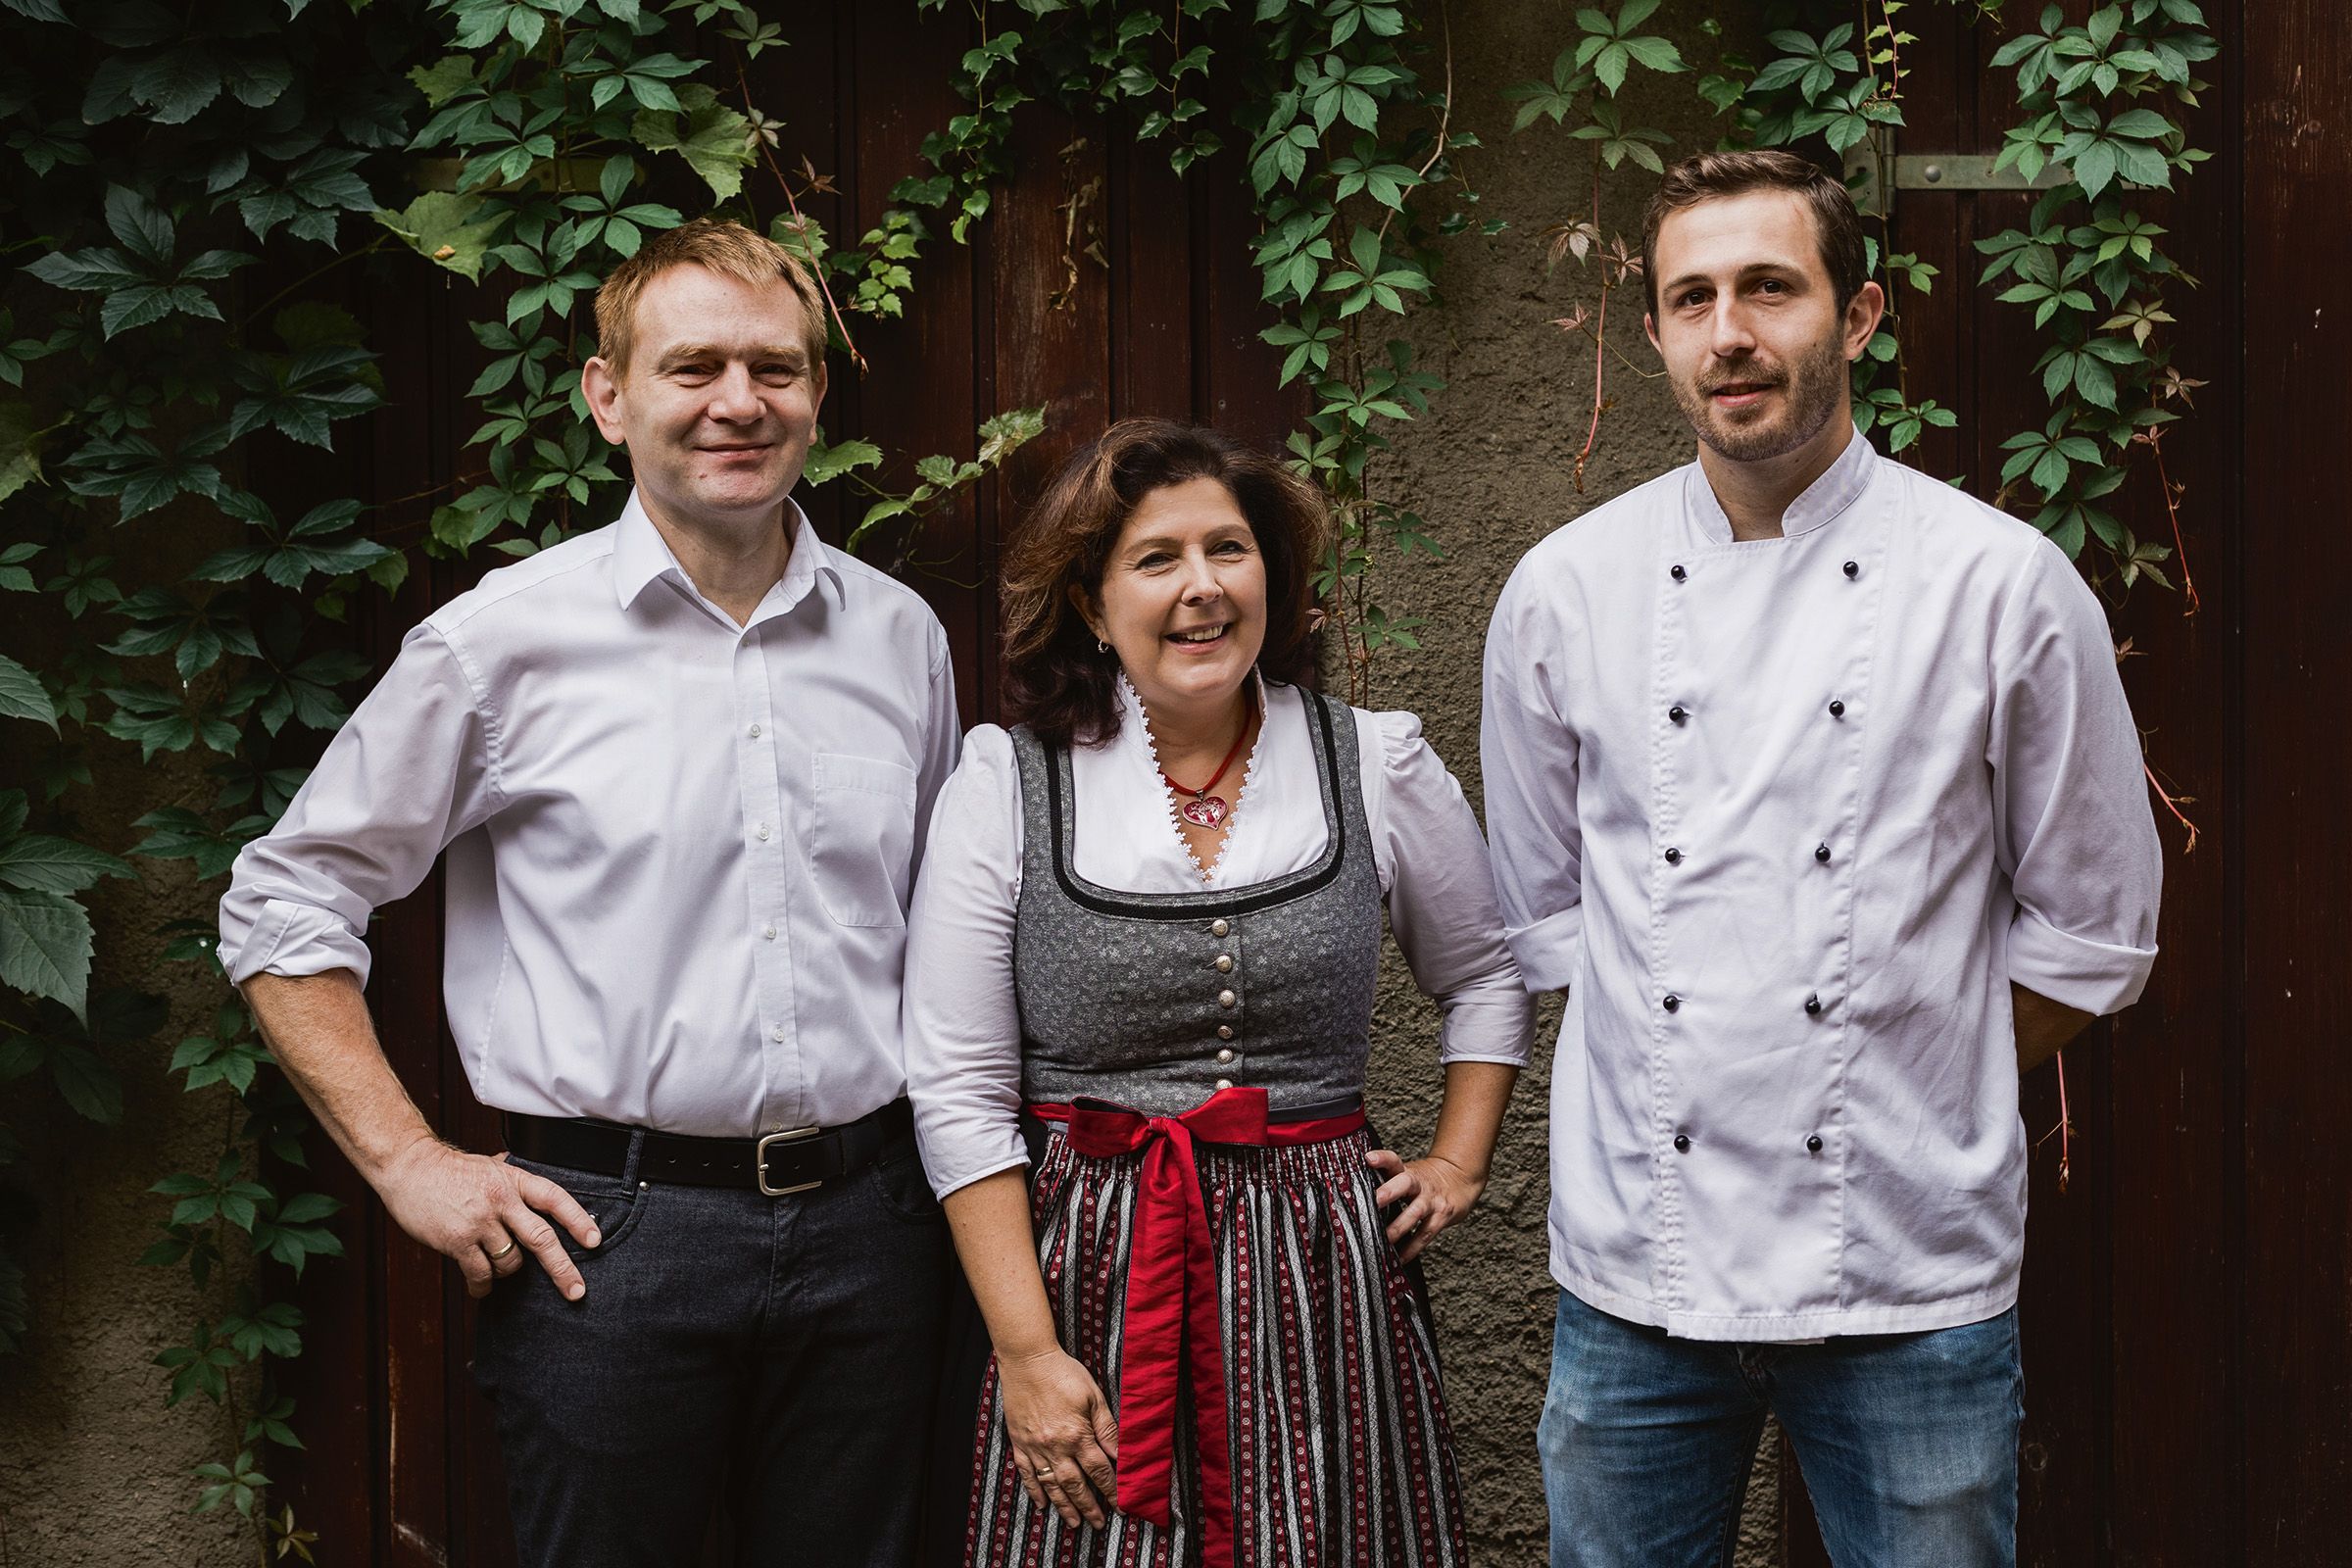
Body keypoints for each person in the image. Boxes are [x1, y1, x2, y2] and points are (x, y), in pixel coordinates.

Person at [218, 219, 960, 1567]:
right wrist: (407, 1162)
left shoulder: (900, 636)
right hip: (608, 1244)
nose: (740, 402)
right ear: (607, 396)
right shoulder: (504, 643)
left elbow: (943, 941)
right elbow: (286, 899)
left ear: (816, 394)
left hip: (873, 1233)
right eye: (694, 368)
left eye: (775, 368)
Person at [1480, 149, 2164, 1568]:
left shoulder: (2001, 584)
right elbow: (1551, 920)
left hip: (1908, 1268)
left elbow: (2095, 933)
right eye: (1693, 297)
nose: (1731, 330)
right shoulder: (1564, 591)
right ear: (1658, 333)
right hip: (1636, 1281)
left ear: (1855, 318)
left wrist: (1907, 1066)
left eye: (1770, 289)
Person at [902, 418, 1530, 1567]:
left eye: (1228, 551)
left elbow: (1484, 970)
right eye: (1156, 559)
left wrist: (1459, 1161)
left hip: (1323, 1269)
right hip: (1089, 1263)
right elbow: (955, 1087)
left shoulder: (1373, 761)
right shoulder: (1005, 783)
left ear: (1272, 580)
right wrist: (1029, 1354)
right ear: (1093, 604)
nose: (1202, 589)